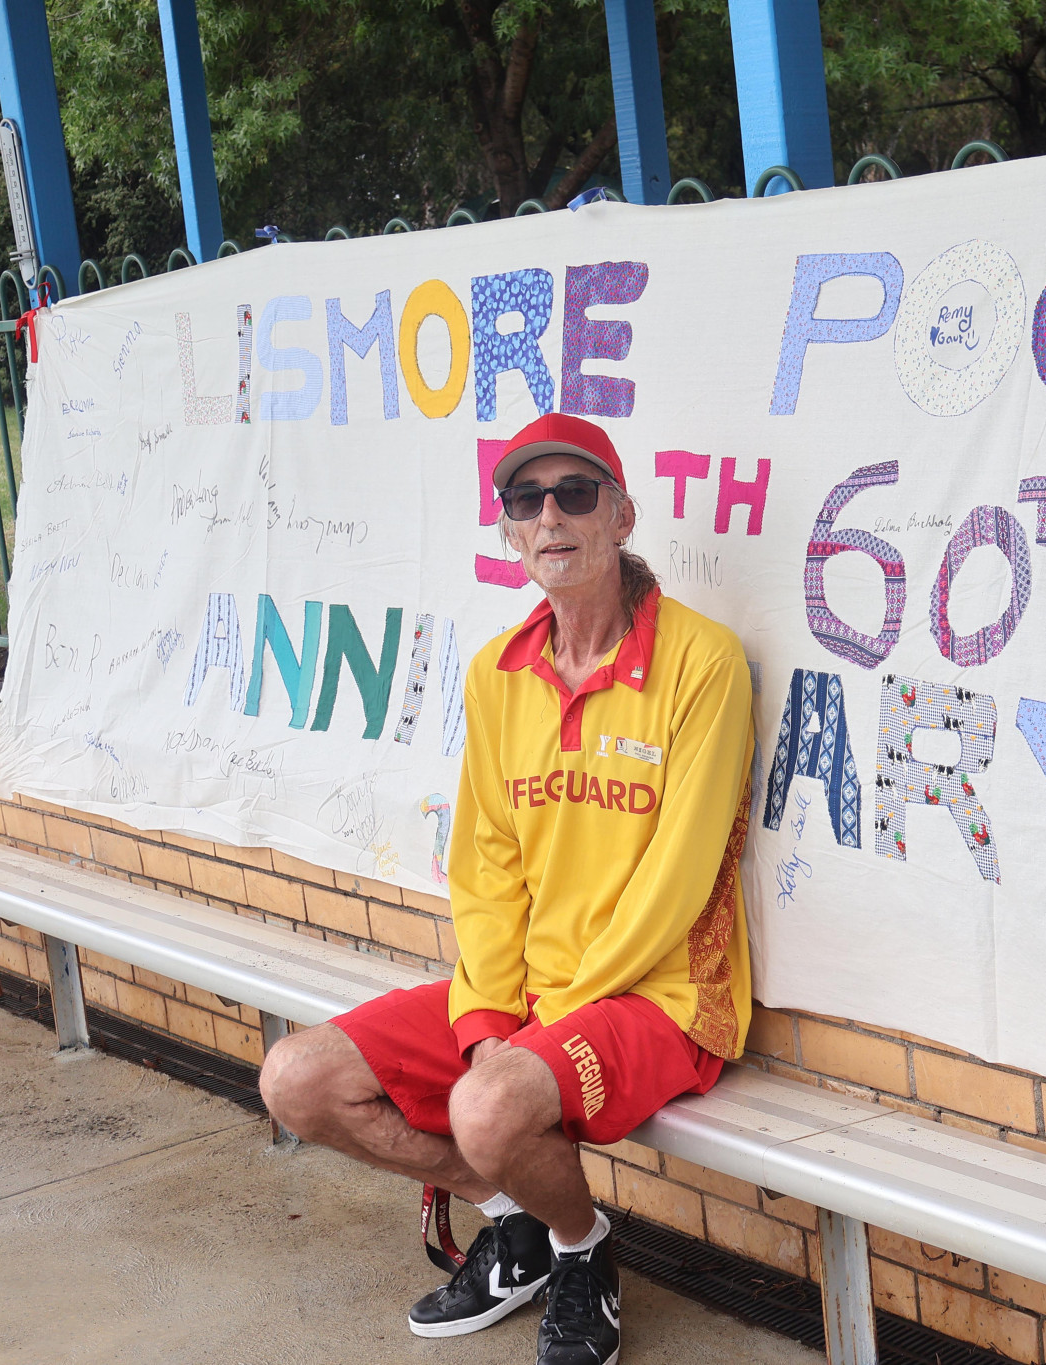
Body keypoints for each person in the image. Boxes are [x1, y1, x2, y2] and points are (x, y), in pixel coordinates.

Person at [259, 412, 756, 1363]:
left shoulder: (702, 662)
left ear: (622, 516)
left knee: (486, 1105)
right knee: (297, 1079)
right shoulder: (498, 673)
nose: (551, 516)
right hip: (531, 1000)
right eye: (528, 500)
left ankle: (582, 1253)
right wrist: (491, 1020)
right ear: (510, 532)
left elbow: (680, 878)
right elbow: (484, 867)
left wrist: (534, 1034)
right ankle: (521, 1224)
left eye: (576, 494)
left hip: (660, 994)